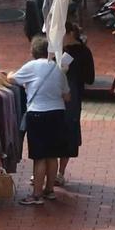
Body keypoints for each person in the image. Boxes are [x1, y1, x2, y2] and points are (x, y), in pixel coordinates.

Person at [11, 32, 73, 202]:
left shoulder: (31, 66)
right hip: (57, 114)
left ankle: (36, 194)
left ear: (33, 51)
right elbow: (67, 96)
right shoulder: (58, 68)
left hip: (37, 114)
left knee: (39, 156)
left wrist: (10, 75)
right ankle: (49, 190)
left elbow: (12, 79)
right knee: (53, 155)